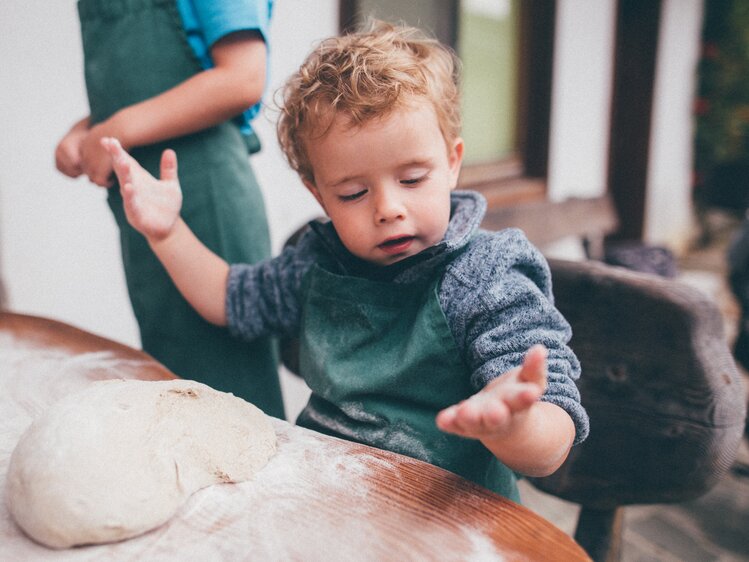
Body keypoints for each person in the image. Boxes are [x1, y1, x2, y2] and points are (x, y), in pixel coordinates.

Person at [100, 20, 589, 502]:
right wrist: (166, 231)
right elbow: (226, 298)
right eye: (354, 193)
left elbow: (551, 439)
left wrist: (514, 425)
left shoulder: (487, 277)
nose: (388, 208)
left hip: (451, 524)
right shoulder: (316, 263)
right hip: (325, 501)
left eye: (413, 179)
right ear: (319, 194)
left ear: (453, 161)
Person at [54, 0, 284, 418]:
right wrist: (90, 131)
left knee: (227, 394)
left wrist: (115, 129)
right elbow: (151, 90)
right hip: (143, 206)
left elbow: (242, 77)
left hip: (206, 200)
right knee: (171, 376)